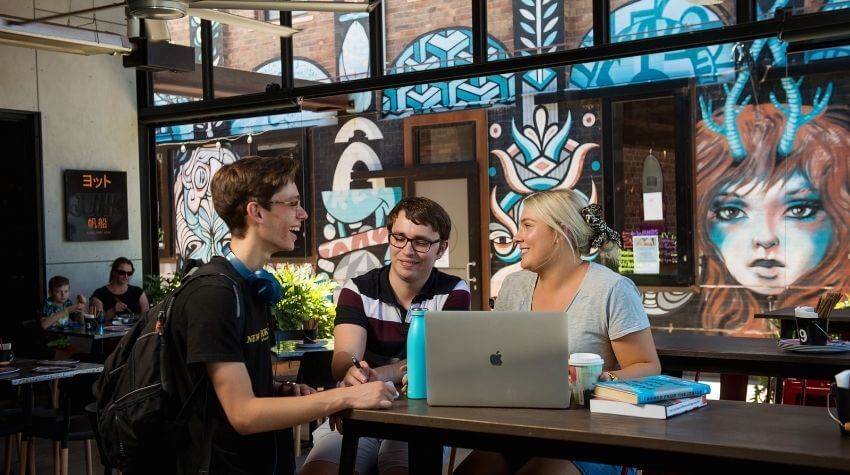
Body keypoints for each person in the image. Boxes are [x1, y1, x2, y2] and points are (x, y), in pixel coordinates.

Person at [163, 155, 396, 475]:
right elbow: (242, 414)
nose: (303, 214)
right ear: (256, 211)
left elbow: (220, 387)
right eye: (292, 204)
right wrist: (346, 398)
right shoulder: (214, 295)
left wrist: (272, 388)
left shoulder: (253, 288)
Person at [454, 189, 660, 475]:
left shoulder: (611, 289)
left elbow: (648, 367)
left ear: (559, 232)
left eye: (527, 226)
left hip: (593, 438)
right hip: (521, 430)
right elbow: (497, 357)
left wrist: (600, 381)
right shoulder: (514, 286)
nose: (516, 237)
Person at [300, 197, 471, 475]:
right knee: (320, 470)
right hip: (361, 409)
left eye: (421, 242)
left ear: (442, 248)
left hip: (421, 417)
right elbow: (343, 359)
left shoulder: (454, 291)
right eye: (399, 238)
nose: (408, 250)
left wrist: (377, 376)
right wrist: (354, 373)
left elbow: (436, 362)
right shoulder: (357, 289)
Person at [696, 104, 850, 335]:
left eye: (799, 210)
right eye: (731, 211)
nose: (766, 238)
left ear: (840, 217)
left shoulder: (839, 303)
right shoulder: (717, 310)